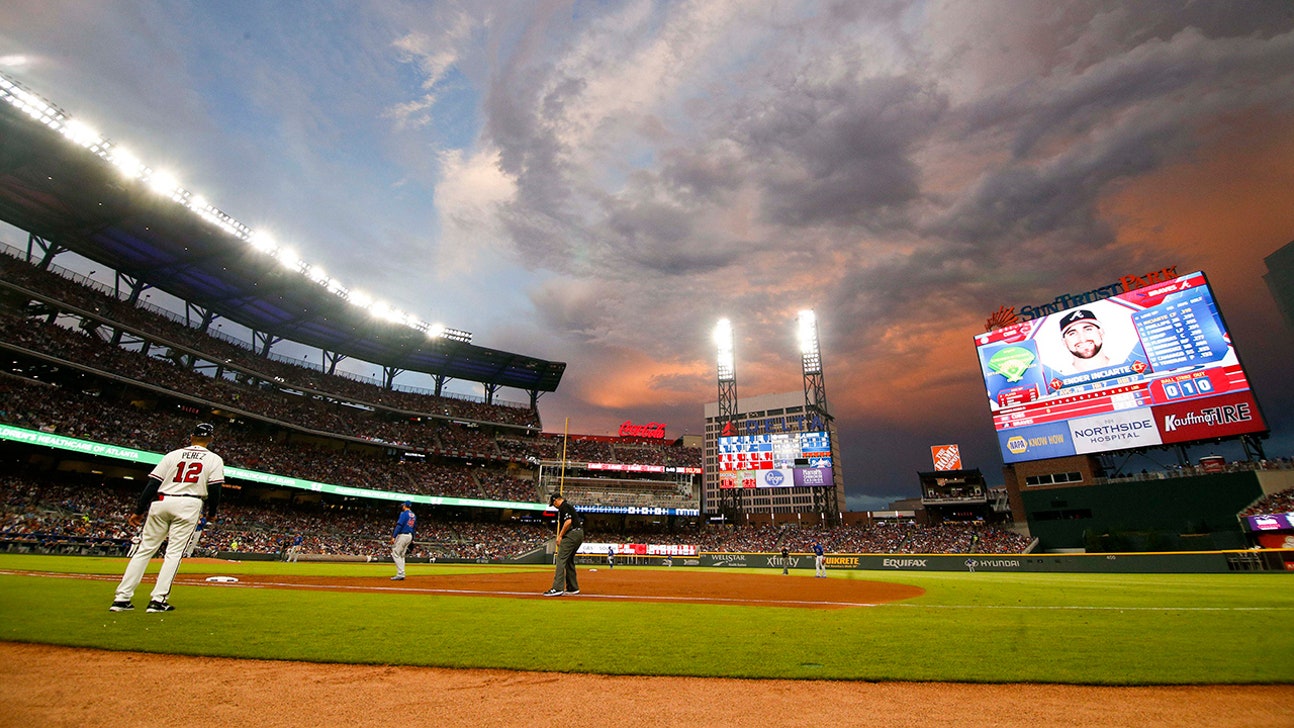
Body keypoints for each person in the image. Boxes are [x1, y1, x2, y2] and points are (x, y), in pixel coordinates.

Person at [110, 422, 224, 613]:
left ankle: (121, 599)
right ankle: (158, 600)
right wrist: (212, 513)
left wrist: (139, 510)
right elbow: (215, 489)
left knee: (144, 551)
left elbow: (152, 484)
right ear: (211, 439)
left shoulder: (173, 455)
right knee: (173, 553)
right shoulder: (214, 459)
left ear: (191, 436)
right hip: (189, 503)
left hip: (161, 501)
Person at [544, 492, 584, 596]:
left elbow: (568, 522)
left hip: (572, 533)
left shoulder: (564, 507)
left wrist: (560, 536)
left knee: (561, 558)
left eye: (554, 504)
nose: (555, 506)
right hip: (579, 534)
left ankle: (557, 588)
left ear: (556, 500)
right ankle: (572, 587)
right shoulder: (567, 506)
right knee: (568, 560)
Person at [391, 501, 415, 580]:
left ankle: (401, 573)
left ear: (405, 506)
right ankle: (402, 573)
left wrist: (394, 536)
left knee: (395, 553)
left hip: (403, 535)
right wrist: (413, 539)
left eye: (403, 505)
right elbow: (414, 527)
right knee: (402, 555)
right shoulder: (413, 515)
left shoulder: (404, 514)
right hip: (409, 535)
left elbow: (399, 525)